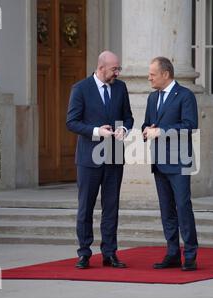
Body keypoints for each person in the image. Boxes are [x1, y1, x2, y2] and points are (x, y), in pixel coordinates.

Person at [66, 51, 134, 269]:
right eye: (114, 69)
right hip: (89, 158)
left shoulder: (120, 87)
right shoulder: (81, 88)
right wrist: (96, 131)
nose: (117, 73)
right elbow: (72, 122)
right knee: (85, 206)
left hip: (114, 156)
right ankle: (84, 253)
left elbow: (129, 116)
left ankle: (110, 253)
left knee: (111, 207)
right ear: (101, 67)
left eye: (118, 69)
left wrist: (124, 128)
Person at [142, 57, 199, 271]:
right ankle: (173, 253)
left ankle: (191, 255)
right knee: (167, 210)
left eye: (152, 74)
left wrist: (162, 131)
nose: (149, 78)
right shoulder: (151, 97)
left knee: (183, 207)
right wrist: (147, 130)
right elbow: (147, 124)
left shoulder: (185, 95)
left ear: (165, 74)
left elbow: (190, 126)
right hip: (159, 161)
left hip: (179, 161)